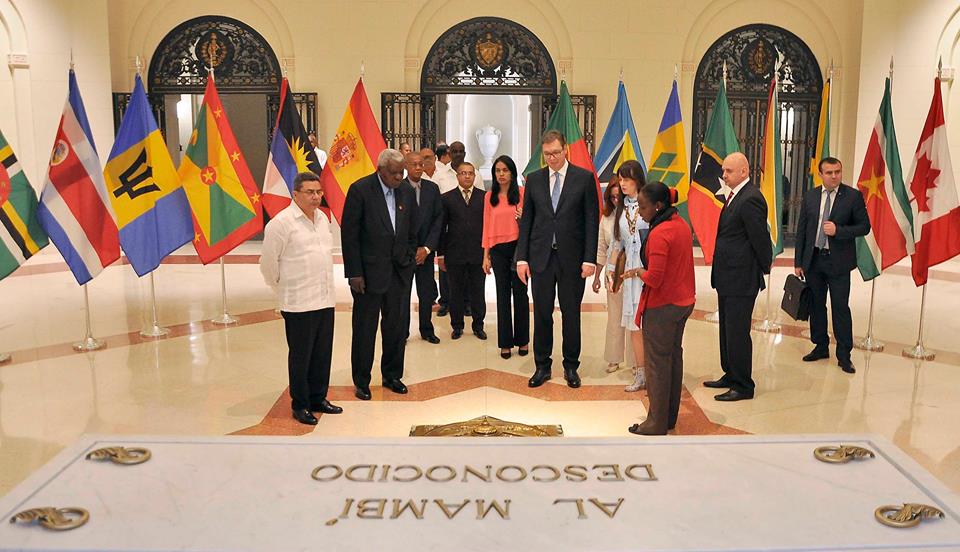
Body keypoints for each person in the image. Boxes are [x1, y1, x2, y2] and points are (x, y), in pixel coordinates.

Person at [517, 130, 600, 389]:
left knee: (571, 314)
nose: (552, 158)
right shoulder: (534, 180)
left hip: (572, 259)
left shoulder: (584, 179)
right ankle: (542, 365)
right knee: (542, 313)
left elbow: (591, 221)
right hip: (541, 258)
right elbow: (527, 221)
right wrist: (521, 258)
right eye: (547, 154)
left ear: (566, 150)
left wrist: (590, 259)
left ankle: (571, 366)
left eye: (555, 153)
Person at [259, 171, 342, 425]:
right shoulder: (281, 223)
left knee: (322, 353)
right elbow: (268, 264)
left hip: (324, 298)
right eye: (310, 192)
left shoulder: (322, 219)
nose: (316, 197)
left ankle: (319, 398)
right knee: (301, 356)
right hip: (298, 301)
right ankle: (301, 404)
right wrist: (282, 288)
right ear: (296, 194)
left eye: (318, 192)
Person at [341, 149, 418, 400]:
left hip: (399, 273)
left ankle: (392, 375)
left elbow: (412, 229)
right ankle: (362, 381)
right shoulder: (360, 190)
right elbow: (349, 236)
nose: (399, 178)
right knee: (365, 329)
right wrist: (354, 272)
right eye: (394, 173)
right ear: (380, 170)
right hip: (368, 275)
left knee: (396, 327)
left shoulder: (405, 190)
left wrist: (408, 259)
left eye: (401, 172)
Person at [625, 182, 696, 435]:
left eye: (643, 207)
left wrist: (638, 271)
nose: (640, 212)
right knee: (673, 360)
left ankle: (655, 422)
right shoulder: (681, 225)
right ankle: (669, 417)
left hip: (663, 306)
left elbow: (654, 278)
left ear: (658, 206)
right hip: (684, 302)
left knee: (656, 364)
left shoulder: (660, 233)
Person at [704, 152, 772, 402]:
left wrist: (764, 267)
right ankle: (730, 373)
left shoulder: (751, 198)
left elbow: (759, 238)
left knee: (737, 331)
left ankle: (743, 385)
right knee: (727, 330)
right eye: (723, 170)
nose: (723, 175)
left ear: (744, 171)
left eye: (728, 171)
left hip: (741, 278)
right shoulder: (735, 197)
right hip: (727, 275)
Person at [794, 157, 870, 374]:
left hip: (838, 262)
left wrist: (839, 231)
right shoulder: (810, 196)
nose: (834, 176)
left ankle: (844, 355)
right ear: (821, 174)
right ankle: (820, 346)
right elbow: (802, 231)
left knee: (840, 307)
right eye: (829, 172)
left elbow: (864, 226)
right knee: (816, 305)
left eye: (837, 171)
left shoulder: (852, 196)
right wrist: (799, 261)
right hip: (814, 259)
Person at [482, 155, 529, 359]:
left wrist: (523, 218)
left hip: (519, 249)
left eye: (505, 170)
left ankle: (523, 340)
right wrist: (486, 255)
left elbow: (531, 224)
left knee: (520, 295)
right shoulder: (489, 196)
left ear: (512, 172)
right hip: (498, 250)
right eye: (497, 171)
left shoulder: (522, 193)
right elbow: (486, 226)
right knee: (502, 296)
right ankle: (505, 343)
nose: (501, 174)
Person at [608, 160, 650, 393]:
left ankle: (654, 370)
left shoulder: (649, 203)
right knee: (634, 324)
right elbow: (618, 241)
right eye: (620, 179)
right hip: (629, 272)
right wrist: (611, 269)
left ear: (638, 180)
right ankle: (640, 371)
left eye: (627, 179)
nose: (622, 184)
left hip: (648, 269)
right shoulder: (621, 208)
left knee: (650, 323)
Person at [438, 162, 487, 340]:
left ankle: (478, 325)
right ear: (457, 176)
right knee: (455, 292)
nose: (467, 176)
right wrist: (441, 254)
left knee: (477, 292)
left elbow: (488, 227)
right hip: (454, 254)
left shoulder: (484, 197)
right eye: (463, 173)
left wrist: (487, 254)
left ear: (475, 176)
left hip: (477, 254)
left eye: (470, 173)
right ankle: (457, 326)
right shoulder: (447, 198)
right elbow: (441, 228)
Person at [593, 175, 635, 374]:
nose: (616, 200)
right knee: (615, 316)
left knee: (634, 317)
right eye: (612, 197)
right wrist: (596, 277)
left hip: (633, 270)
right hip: (612, 271)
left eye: (619, 196)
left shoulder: (635, 213)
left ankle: (636, 360)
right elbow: (601, 247)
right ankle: (614, 358)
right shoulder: (606, 218)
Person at [402, 151, 443, 344]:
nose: (418, 168)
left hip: (425, 252)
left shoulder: (432, 189)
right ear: (405, 166)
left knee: (426, 293)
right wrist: (410, 249)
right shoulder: (398, 188)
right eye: (414, 164)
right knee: (402, 294)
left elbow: (438, 220)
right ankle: (402, 331)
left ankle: (427, 329)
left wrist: (426, 248)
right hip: (404, 252)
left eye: (421, 164)